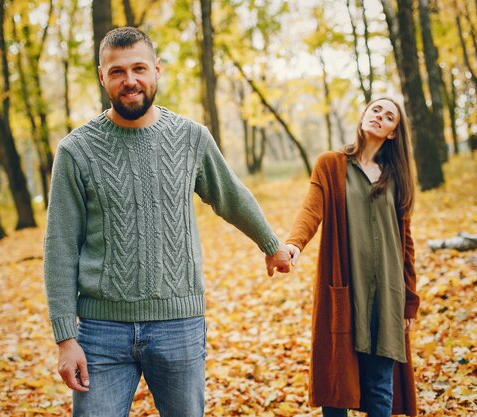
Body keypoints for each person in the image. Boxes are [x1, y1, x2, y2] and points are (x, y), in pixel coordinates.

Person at [43, 26, 291, 417]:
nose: (130, 81)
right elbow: (60, 246)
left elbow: (230, 196)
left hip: (179, 324)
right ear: (102, 76)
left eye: (139, 68)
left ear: (157, 70)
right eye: (118, 71)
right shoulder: (76, 150)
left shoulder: (191, 137)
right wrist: (64, 338)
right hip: (100, 331)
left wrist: (271, 245)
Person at [283, 98, 419, 416]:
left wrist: (410, 299)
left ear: (393, 133)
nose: (379, 117)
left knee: (380, 386)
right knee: (337, 385)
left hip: (388, 292)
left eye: (388, 117)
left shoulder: (396, 177)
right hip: (344, 289)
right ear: (363, 116)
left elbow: (406, 243)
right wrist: (294, 245)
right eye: (375, 110)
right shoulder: (331, 164)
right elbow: (311, 209)